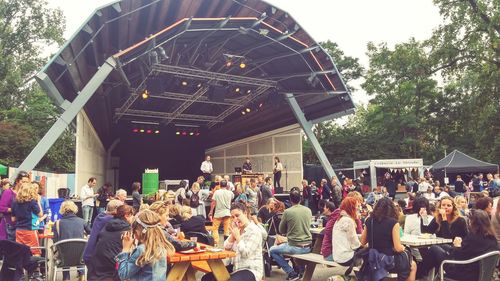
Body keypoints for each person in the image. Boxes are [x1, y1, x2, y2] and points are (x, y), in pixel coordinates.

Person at [426, 210, 498, 280]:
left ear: (473, 223)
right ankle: (429, 276)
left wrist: (456, 246)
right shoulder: (493, 239)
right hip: (479, 274)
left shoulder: (473, 237)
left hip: (463, 274)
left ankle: (420, 275)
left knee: (434, 249)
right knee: (443, 246)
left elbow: (458, 257)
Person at [360, 197, 417, 281]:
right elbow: (398, 248)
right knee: (413, 265)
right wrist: (402, 247)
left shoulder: (369, 221)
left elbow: (362, 242)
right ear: (392, 209)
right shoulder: (393, 223)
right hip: (388, 261)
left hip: (372, 261)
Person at [117, 210, 175, 281]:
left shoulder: (141, 250)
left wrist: (125, 249)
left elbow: (123, 274)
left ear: (137, 232)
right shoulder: (161, 246)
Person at [269, 187, 312, 281]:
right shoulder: (308, 210)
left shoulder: (287, 212)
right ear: (300, 199)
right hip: (308, 246)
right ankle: (300, 271)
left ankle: (291, 272)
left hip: (295, 246)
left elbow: (281, 230)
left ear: (290, 200)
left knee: (272, 250)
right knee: (289, 245)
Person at [90, 204, 134, 280]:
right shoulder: (127, 231)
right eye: (132, 215)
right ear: (127, 215)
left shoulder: (107, 225)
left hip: (98, 269)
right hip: (114, 271)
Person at [83, 199, 123, 276]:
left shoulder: (99, 218)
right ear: (116, 210)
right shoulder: (113, 222)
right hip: (101, 261)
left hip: (90, 257)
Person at [54, 200, 86, 281]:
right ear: (74, 208)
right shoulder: (82, 221)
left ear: (62, 209)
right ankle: (81, 273)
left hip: (64, 257)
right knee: (80, 250)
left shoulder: (58, 223)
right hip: (79, 257)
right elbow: (91, 233)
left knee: (64, 250)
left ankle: (66, 277)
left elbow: (55, 241)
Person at [12, 183, 43, 255]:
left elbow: (13, 219)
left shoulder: (15, 202)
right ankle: (34, 266)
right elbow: (40, 214)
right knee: (35, 251)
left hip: (19, 230)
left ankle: (22, 266)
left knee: (20, 252)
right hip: (30, 230)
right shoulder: (32, 202)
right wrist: (38, 201)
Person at [0, 171, 30, 240]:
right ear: (17, 181)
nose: (25, 184)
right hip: (9, 225)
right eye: (23, 181)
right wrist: (14, 209)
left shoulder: (26, 194)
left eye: (27, 182)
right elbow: (1, 208)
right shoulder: (8, 192)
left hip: (22, 226)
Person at [331, 197, 361, 265]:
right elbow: (355, 244)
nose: (358, 208)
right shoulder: (348, 220)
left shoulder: (340, 219)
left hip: (337, 256)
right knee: (370, 253)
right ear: (351, 208)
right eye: (356, 206)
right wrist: (364, 245)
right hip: (346, 258)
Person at [209, 179, 234, 245]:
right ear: (226, 185)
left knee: (215, 228)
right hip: (227, 213)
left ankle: (216, 243)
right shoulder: (230, 193)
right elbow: (231, 199)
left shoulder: (217, 192)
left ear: (220, 185)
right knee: (227, 229)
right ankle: (226, 244)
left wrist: (211, 212)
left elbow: (213, 203)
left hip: (218, 213)